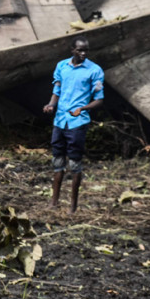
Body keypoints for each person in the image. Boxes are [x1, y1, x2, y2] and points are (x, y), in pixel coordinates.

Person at [42, 36, 104, 214]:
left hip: (77, 123)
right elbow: (57, 90)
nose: (83, 53)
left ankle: (73, 206)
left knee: (75, 163)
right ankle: (54, 202)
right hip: (60, 120)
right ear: (72, 50)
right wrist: (51, 105)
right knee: (57, 160)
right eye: (80, 50)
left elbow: (99, 100)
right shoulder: (62, 66)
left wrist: (82, 108)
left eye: (86, 50)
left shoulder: (95, 71)